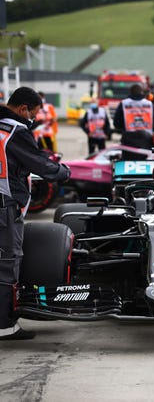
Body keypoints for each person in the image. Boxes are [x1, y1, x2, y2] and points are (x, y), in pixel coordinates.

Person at [0, 87, 71, 340]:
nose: (34, 118)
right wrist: (63, 172)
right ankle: (5, 326)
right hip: (4, 207)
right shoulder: (15, 131)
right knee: (7, 263)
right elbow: (40, 165)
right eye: (34, 112)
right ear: (22, 109)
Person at [113, 84, 154, 151]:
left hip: (128, 140)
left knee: (129, 160)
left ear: (130, 92)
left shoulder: (124, 103)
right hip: (146, 140)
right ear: (141, 92)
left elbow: (116, 123)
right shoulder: (149, 104)